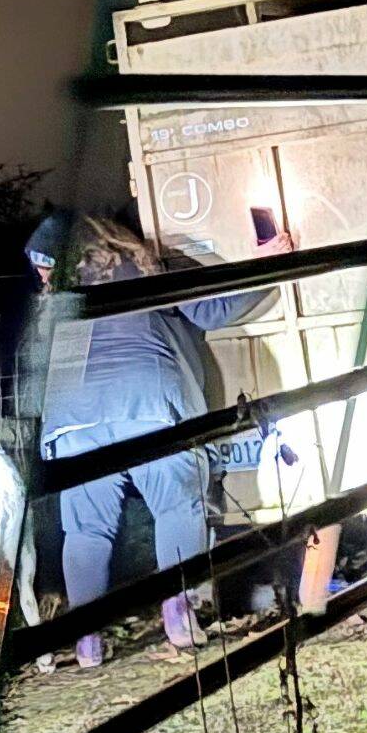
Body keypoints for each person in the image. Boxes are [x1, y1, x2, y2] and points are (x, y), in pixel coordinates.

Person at [44, 216, 291, 667]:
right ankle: (179, 617)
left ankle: (87, 641)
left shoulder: (59, 286)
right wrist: (270, 263)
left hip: (73, 419)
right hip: (149, 402)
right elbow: (213, 309)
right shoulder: (144, 265)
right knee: (179, 507)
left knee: (85, 530)